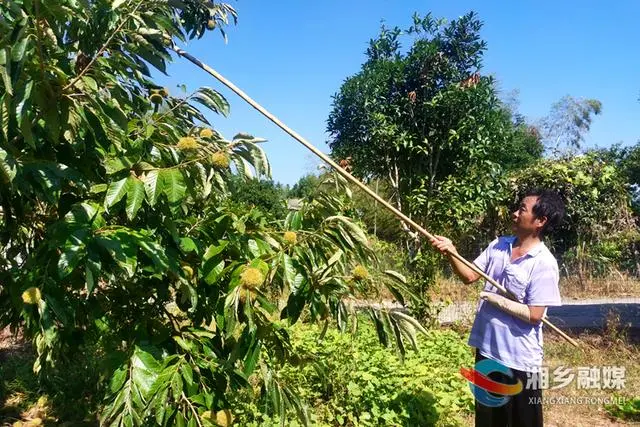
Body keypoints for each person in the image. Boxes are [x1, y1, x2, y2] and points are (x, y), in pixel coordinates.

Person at [430, 189, 565, 427]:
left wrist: (497, 300)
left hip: (520, 360)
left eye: (522, 209)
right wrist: (451, 252)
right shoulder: (498, 246)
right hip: (487, 350)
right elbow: (470, 275)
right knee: (488, 420)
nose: (515, 213)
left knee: (522, 422)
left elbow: (535, 315)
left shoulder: (544, 263)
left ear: (540, 221)